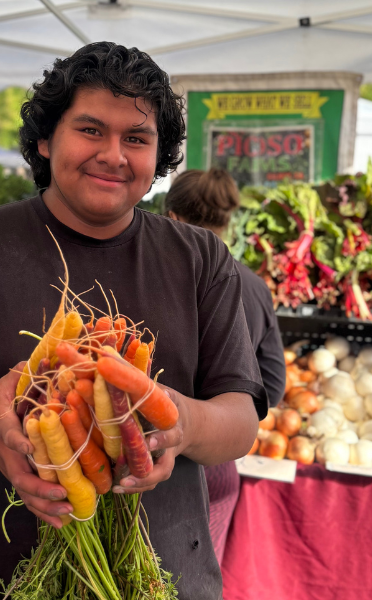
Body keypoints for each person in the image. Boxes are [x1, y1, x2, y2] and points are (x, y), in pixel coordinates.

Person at [0, 42, 265, 600]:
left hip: (167, 579)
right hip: (2, 581)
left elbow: (241, 419)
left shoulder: (201, 259)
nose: (114, 155)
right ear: (46, 140)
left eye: (137, 139)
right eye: (91, 130)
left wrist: (181, 426)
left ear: (159, 156)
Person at [165, 168, 286, 564]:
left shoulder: (155, 281)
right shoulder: (252, 286)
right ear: (227, 222)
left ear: (172, 218)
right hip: (217, 462)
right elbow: (271, 384)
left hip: (148, 461)